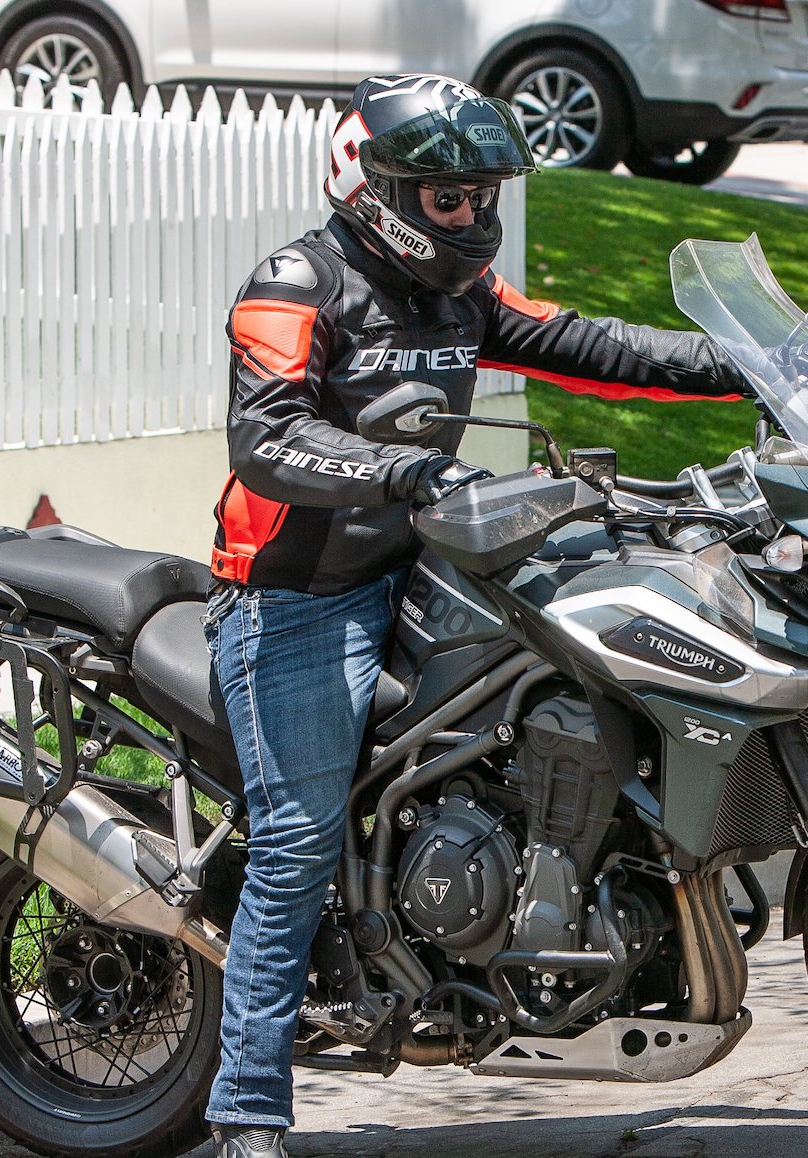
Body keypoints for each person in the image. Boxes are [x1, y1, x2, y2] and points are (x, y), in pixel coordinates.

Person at [201, 72, 747, 1158]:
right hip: (296, 596)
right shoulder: (296, 283)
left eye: (481, 194)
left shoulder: (462, 295)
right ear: (373, 186)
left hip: (432, 567)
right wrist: (403, 472)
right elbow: (264, 438)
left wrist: (752, 368)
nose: (470, 216)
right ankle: (246, 1114)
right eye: (444, 198)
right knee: (298, 843)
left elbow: (593, 347)